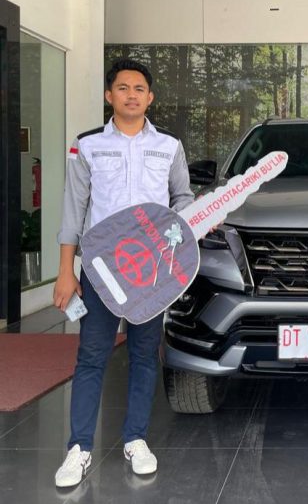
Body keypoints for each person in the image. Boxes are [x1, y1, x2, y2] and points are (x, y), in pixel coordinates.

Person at [53, 59, 194, 488]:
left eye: (139, 89)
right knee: (91, 356)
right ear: (108, 95)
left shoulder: (169, 146)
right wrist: (65, 271)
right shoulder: (88, 145)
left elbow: (182, 197)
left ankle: (136, 439)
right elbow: (74, 208)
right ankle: (79, 448)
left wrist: (193, 225)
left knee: (144, 355)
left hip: (151, 275)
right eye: (122, 88)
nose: (131, 95)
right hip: (101, 270)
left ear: (150, 98)